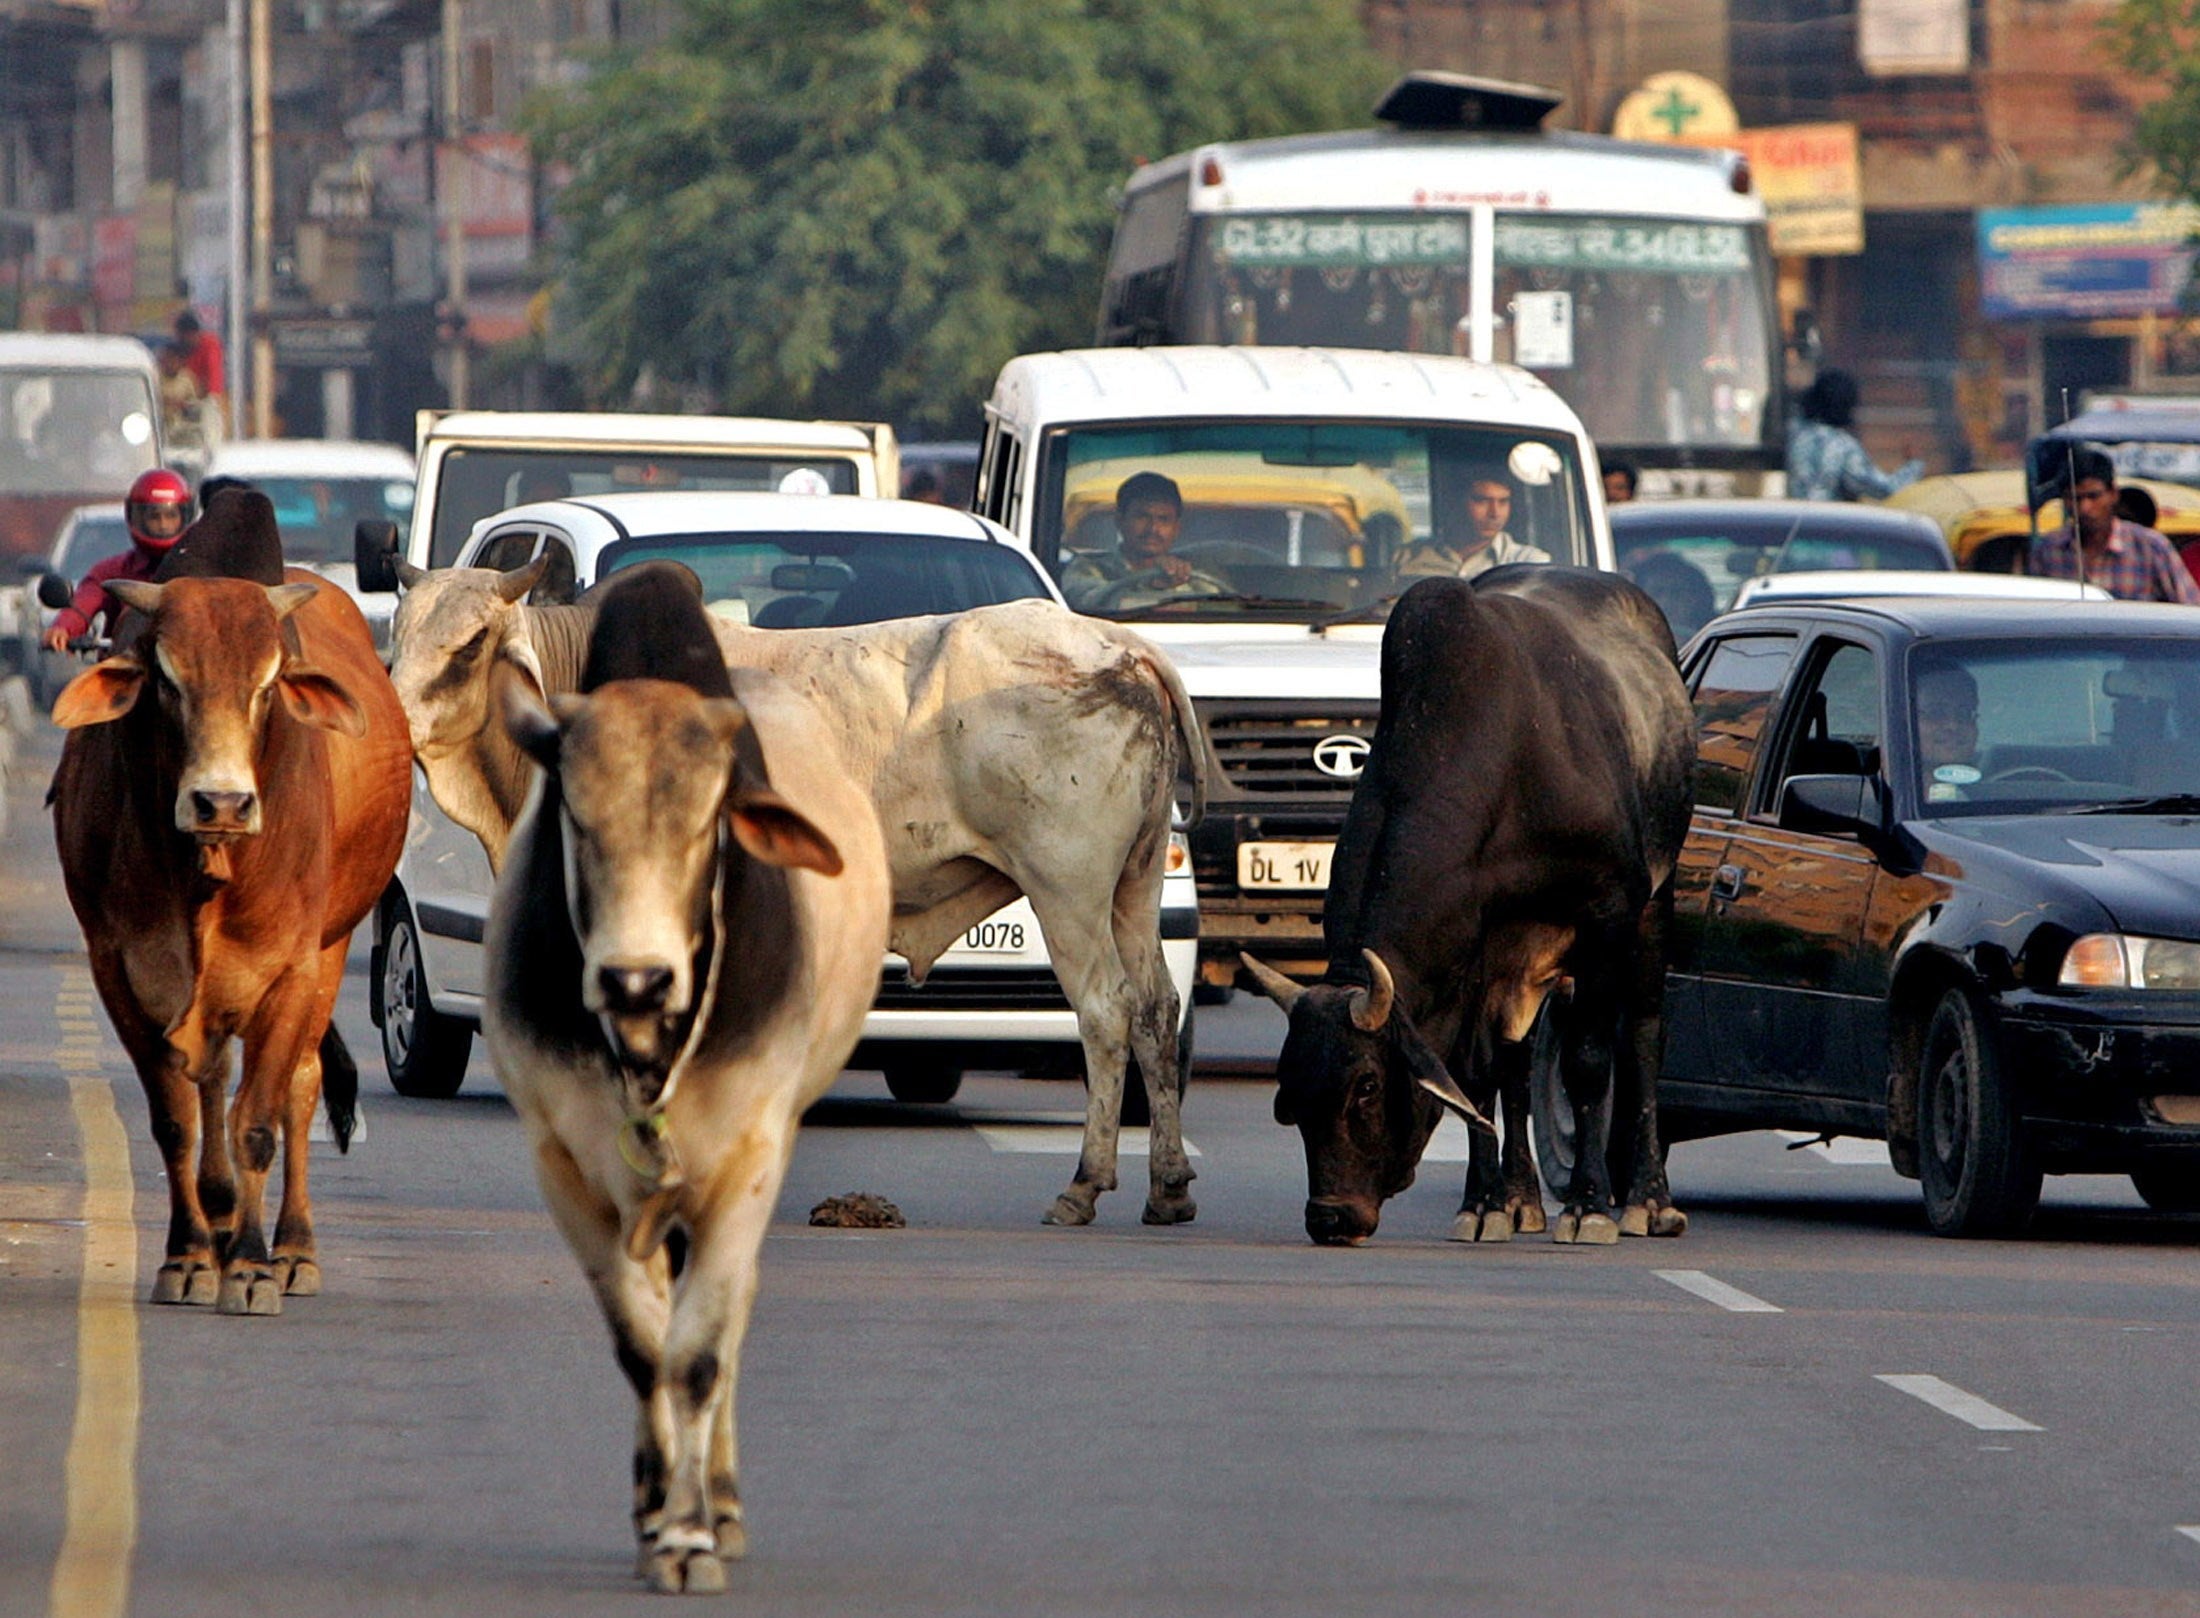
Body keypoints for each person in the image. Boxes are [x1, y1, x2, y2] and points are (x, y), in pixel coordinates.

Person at [41, 468, 192, 651]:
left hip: (188, 673)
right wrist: (63, 629)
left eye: (171, 516)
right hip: (126, 669)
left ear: (185, 517)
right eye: (154, 516)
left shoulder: (200, 572)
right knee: (84, 681)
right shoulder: (111, 571)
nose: (163, 525)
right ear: (135, 516)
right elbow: (84, 602)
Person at [2026, 449, 2200, 603]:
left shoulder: (2151, 547)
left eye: (2093, 496)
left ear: (2113, 494)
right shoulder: (2048, 550)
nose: (2085, 508)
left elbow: (2190, 609)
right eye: (2075, 498)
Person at [1059, 472, 1226, 610]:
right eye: (1142, 517)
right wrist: (1153, 586)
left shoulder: (1199, 575)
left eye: (1164, 519)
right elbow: (1086, 603)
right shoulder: (1088, 568)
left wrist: (1176, 584)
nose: (1153, 529)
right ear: (1120, 520)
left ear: (1176, 528)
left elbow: (1220, 608)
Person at [1786, 368, 1923, 502]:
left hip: (1789, 522)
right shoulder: (1842, 447)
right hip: (1828, 523)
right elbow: (1885, 489)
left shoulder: (1794, 436)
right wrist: (1913, 465)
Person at [1395, 464, 1551, 579]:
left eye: (1503, 502)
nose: (1494, 513)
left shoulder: (1530, 564)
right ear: (1457, 503)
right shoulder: (1406, 558)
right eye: (1481, 501)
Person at [1916, 662, 1982, 803]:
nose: (1953, 725)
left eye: (1964, 713)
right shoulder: (1881, 800)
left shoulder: (1985, 801)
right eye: (1936, 713)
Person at [171, 309, 227, 432]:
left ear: (195, 333)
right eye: (180, 337)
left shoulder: (209, 345)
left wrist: (212, 395)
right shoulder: (176, 350)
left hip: (206, 400)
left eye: (188, 336)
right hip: (182, 402)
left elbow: (214, 374)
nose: (185, 340)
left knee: (209, 415)